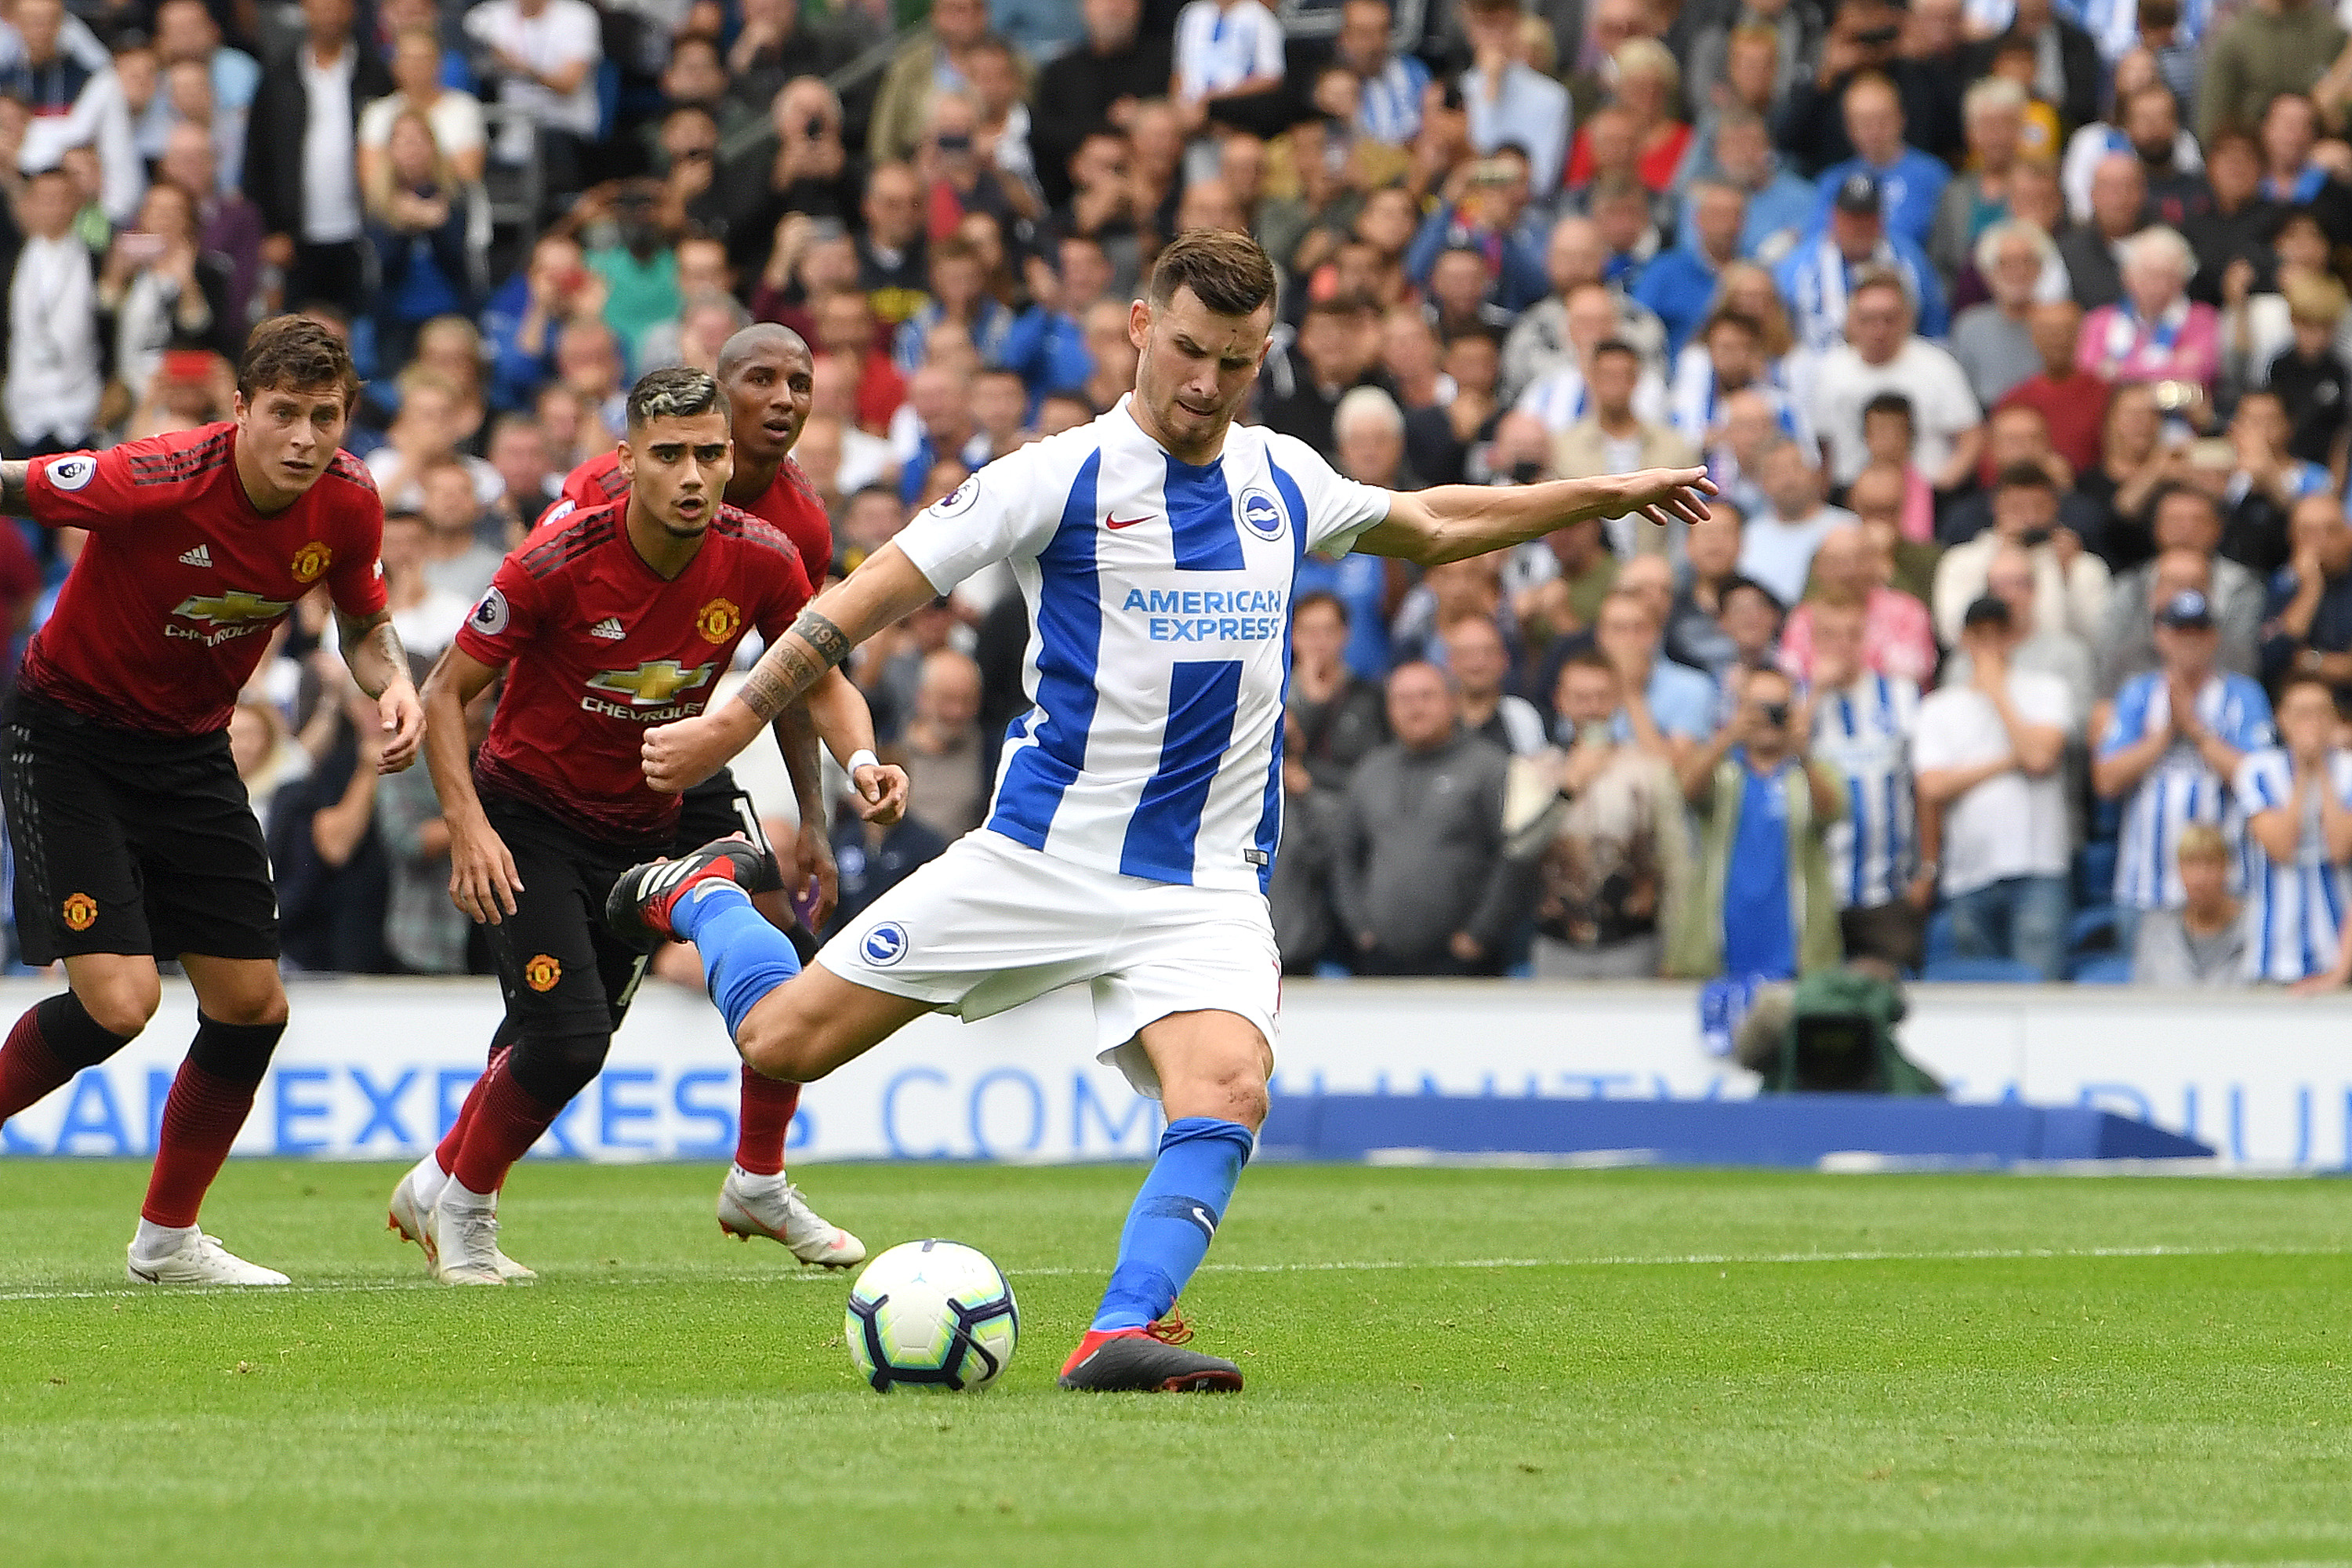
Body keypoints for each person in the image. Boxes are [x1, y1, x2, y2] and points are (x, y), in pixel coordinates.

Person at [608, 230, 1713, 1393]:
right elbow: (868, 593)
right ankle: (702, 892)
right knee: (782, 1040)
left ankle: (1119, 1330)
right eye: (1187, 349)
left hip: (1202, 887)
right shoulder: (1058, 475)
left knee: (1230, 1084)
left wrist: (1600, 493)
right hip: (1040, 857)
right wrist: (739, 722)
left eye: (1234, 364)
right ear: (1141, 326)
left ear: (1263, 357)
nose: (1204, 384)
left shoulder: (1282, 478)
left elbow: (1431, 524)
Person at [403, 368, 906, 1286]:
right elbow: (445, 694)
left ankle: (758, 1173)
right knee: (564, 1038)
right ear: (625, 461)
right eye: (668, 455)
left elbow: (817, 678)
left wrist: (861, 763)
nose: (692, 475)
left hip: (658, 806)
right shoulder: (555, 560)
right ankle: (459, 1209)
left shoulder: (762, 554)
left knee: (770, 952)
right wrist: (470, 827)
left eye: (709, 453)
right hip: (534, 815)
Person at [0, 318, 422, 1284]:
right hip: (67, 735)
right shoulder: (156, 475)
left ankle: (168, 1241)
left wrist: (391, 683)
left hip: (189, 751)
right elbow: (16, 483)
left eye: (325, 416)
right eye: (284, 414)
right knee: (119, 1004)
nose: (305, 438)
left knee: (251, 1005)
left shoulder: (350, 501)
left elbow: (364, 624)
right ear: (241, 411)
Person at [2094, 589, 2273, 953]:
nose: (2189, 641)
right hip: (2146, 884)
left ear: (2214, 637)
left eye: (2199, 631)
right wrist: (2162, 739)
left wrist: (2196, 731)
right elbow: (2106, 780)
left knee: (2226, 1002)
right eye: (2180, 631)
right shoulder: (2138, 694)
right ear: (2161, 636)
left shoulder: (2244, 695)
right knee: (2145, 1004)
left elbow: (2262, 780)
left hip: (2229, 884)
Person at [1913, 595, 2074, 978]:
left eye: (1998, 634)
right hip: (1968, 874)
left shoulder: (2048, 690)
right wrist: (2007, 761)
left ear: (2013, 638)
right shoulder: (1938, 708)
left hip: (2039, 867)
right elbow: (1932, 788)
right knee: (1978, 1003)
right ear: (1965, 639)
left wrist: (1999, 694)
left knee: (2041, 997)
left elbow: (2039, 759)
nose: (1989, 644)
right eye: (1979, 635)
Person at [1329, 661, 1519, 975]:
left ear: (1452, 701)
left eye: (1426, 696)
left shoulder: (1489, 767)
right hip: (1378, 961)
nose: (1415, 709)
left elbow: (1514, 857)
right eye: (1402, 699)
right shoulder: (1370, 770)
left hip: (1465, 962)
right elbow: (1343, 855)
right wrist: (1359, 928)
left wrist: (1480, 934)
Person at [1668, 663, 1846, 982]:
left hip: (1794, 948)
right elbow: (1686, 794)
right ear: (1739, 709)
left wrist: (1802, 754)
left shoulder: (1810, 771)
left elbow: (1832, 811)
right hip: (1723, 945)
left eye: (1776, 708)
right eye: (1756, 707)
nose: (1766, 717)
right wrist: (1726, 739)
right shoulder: (1723, 769)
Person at [1519, 651, 1691, 978]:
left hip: (1632, 942)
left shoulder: (1649, 770)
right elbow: (1520, 851)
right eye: (1581, 697)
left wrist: (1677, 947)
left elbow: (1676, 861)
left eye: (1601, 697)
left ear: (1617, 701)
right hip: (1557, 944)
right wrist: (1566, 790)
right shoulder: (1536, 771)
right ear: (1560, 701)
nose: (1592, 707)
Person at [1805, 598, 1931, 969]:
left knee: (1888, 1002)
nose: (1841, 645)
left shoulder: (1901, 697)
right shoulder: (1798, 702)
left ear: (1866, 640)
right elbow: (1776, 762)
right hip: (1817, 892)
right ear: (1813, 641)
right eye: (1829, 635)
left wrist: (1927, 870)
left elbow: (1922, 786)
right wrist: (1814, 696)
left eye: (1852, 635)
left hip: (1888, 892)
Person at [244, 0, 392, 317]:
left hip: (360, 232)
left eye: (338, 6)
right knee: (297, 333)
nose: (330, 14)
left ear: (352, 11)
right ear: (306, 11)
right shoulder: (279, 74)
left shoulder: (375, 74)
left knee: (360, 327)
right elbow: (258, 157)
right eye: (321, 6)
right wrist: (270, 230)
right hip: (295, 237)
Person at [1807, 271, 1981, 492]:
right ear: (1851, 321)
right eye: (1868, 319)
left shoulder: (1937, 365)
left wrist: (1940, 488)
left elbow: (1971, 438)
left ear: (1907, 318)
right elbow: (1823, 447)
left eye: (1889, 319)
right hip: (1849, 492)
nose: (1879, 330)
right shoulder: (1830, 370)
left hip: (1927, 492)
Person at [2236, 673, 2352, 985]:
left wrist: (2322, 771)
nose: (2311, 722)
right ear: (2281, 718)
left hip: (2336, 953)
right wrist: (2304, 770)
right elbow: (2281, 847)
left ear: (2334, 719)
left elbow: (2341, 848)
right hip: (2271, 952)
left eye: (2320, 712)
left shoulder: (2348, 771)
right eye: (2301, 713)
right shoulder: (2257, 770)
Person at [1780, 515, 1938, 687]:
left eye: (1858, 559)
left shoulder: (1907, 610)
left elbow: (1917, 669)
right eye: (1836, 562)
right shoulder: (1803, 618)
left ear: (1874, 563)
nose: (1847, 571)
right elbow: (1790, 676)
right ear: (1819, 568)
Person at [2075, 227, 2221, 399]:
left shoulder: (2202, 319)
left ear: (2183, 281)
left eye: (2169, 276)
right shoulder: (2099, 321)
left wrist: (2117, 370)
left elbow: (2198, 371)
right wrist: (2170, 367)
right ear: (2127, 278)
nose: (2159, 286)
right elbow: (2088, 373)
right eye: (2149, 275)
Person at [1951, 221, 2060, 408]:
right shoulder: (1969, 326)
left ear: (2041, 269)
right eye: (2006, 264)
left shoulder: (2059, 321)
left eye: (2027, 261)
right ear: (1988, 272)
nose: (2018, 272)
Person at [2129, 823, 2247, 985]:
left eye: (2210, 863)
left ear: (2227, 867)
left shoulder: (2254, 928)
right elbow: (2140, 997)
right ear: (2179, 868)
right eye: (2191, 864)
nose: (2200, 877)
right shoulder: (2155, 931)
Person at [1740, 437, 1851, 608]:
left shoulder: (1848, 528)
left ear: (1815, 473)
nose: (1788, 479)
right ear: (1761, 482)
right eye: (1775, 471)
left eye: (1795, 467)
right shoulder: (1746, 539)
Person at [2264, 493, 2352, 689]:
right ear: (2292, 538)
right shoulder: (2281, 585)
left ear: (2349, 534)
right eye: (2308, 532)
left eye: (2332, 530)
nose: (2321, 541)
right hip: (2295, 702)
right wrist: (2311, 589)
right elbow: (2273, 660)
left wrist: (2310, 662)